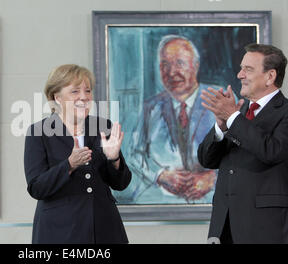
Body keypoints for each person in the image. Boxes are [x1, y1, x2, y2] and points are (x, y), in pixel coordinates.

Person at [24, 64, 132, 243]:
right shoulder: (39, 132)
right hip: (60, 231)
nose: (84, 97)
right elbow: (36, 187)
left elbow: (121, 184)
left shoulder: (102, 126)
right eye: (75, 91)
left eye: (88, 91)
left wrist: (114, 159)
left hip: (104, 230)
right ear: (57, 97)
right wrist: (69, 165)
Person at [198, 43, 288, 243]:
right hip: (224, 227)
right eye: (241, 68)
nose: (240, 75)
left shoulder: (286, 112)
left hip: (266, 229)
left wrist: (232, 117)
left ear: (270, 76)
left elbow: (272, 151)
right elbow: (206, 159)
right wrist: (221, 126)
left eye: (248, 69)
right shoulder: (238, 114)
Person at [122, 35, 218, 204]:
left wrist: (213, 177)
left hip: (211, 198)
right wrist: (160, 175)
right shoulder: (150, 107)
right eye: (165, 65)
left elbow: (241, 153)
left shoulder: (219, 99)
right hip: (161, 198)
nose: (172, 72)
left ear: (195, 66)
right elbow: (135, 154)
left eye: (180, 63)